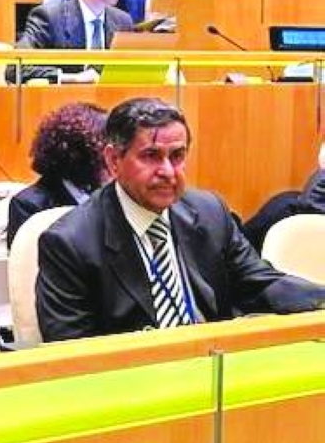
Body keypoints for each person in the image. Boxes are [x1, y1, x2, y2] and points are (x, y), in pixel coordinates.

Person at [35, 98, 325, 342]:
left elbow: (259, 284)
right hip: (132, 385)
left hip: (216, 370)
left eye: (177, 156)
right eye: (151, 156)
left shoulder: (209, 212)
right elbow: (71, 350)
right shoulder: (69, 242)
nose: (168, 172)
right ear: (113, 161)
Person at [7, 102, 109, 248]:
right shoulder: (29, 205)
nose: (112, 159)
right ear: (81, 155)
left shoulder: (110, 195)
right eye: (104, 150)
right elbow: (27, 265)